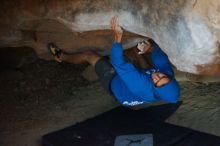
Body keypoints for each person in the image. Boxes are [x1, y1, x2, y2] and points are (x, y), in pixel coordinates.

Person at [48, 16, 180, 106]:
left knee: (90, 56)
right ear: (169, 77)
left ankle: (61, 56)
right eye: (162, 77)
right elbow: (161, 59)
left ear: (154, 88)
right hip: (134, 82)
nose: (157, 76)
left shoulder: (141, 85)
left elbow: (117, 62)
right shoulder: (167, 75)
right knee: (139, 52)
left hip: (115, 85)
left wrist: (117, 38)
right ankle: (133, 58)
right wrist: (150, 49)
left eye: (156, 82)